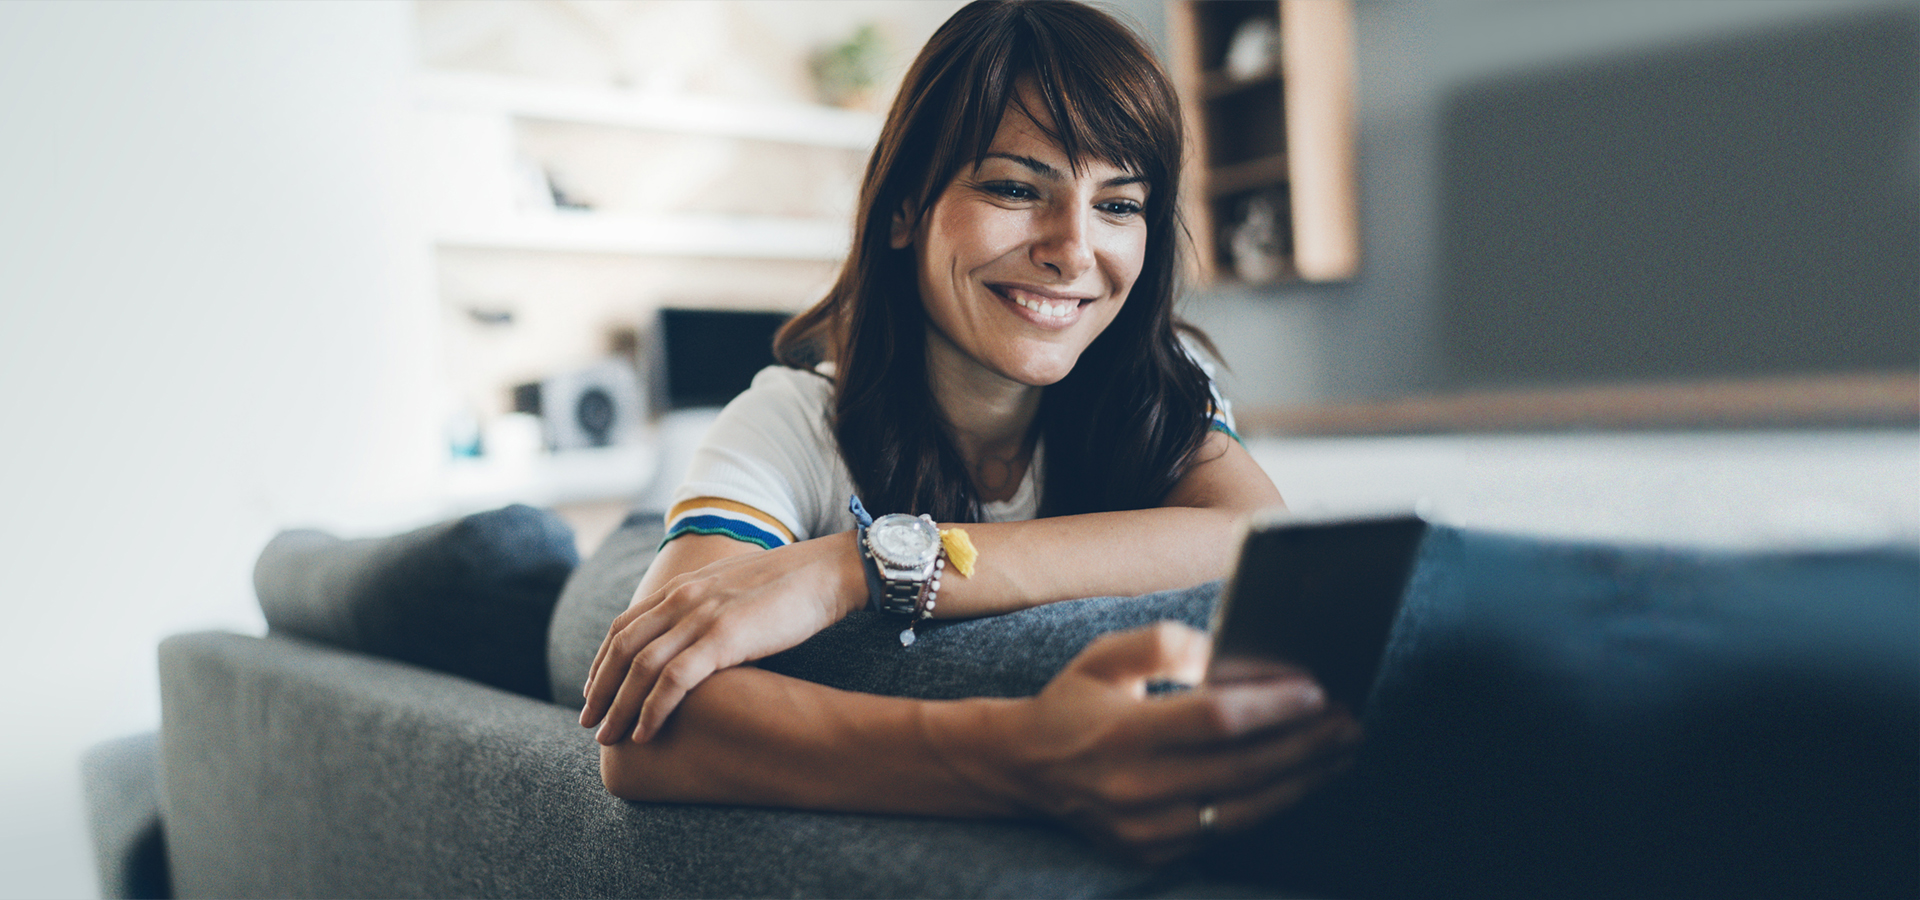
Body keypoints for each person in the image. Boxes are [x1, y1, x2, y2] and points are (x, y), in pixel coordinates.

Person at [579, 0, 1358, 862]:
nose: (1073, 248)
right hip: (634, 557)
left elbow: (1255, 538)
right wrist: (1028, 755)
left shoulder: (1159, 388)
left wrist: (861, 565)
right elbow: (646, 733)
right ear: (907, 208)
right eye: (1017, 188)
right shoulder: (790, 418)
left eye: (1120, 204)